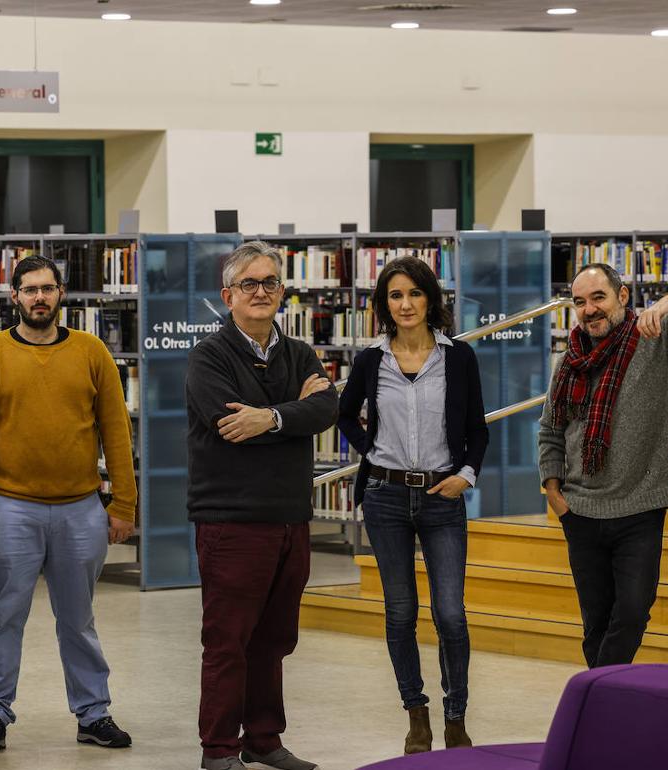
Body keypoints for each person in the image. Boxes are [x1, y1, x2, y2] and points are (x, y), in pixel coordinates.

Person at [0, 255, 136, 758]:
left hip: (81, 507)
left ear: (61, 294)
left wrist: (123, 503)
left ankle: (93, 712)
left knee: (78, 618)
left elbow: (116, 433)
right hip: (9, 507)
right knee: (4, 615)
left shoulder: (91, 351)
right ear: (13, 296)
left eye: (47, 289)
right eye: (29, 289)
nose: (39, 298)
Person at [185, 240, 338, 770]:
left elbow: (326, 408)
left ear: (282, 291)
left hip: (291, 519)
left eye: (270, 282)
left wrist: (269, 418)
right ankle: (219, 749)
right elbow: (228, 424)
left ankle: (264, 740)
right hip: (232, 522)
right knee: (228, 640)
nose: (261, 292)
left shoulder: (298, 352)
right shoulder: (209, 356)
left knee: (274, 639)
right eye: (249, 283)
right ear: (228, 295)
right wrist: (294, 411)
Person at [337, 256, 488, 754]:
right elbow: (345, 417)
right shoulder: (369, 361)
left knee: (450, 614)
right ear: (383, 304)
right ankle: (416, 713)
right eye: (395, 295)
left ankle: (456, 715)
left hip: (443, 497)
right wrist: (374, 453)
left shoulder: (458, 358)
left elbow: (476, 430)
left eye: (414, 294)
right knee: (400, 611)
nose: (405, 304)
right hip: (385, 497)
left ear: (430, 300)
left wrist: (465, 475)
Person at [538, 263, 668, 668]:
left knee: (634, 612)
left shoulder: (655, 339)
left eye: (598, 297)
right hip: (580, 512)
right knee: (595, 624)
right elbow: (551, 430)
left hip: (639, 510)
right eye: (580, 302)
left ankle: (595, 697)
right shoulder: (569, 362)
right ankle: (604, 705)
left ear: (622, 297)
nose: (589, 310)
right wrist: (553, 491)